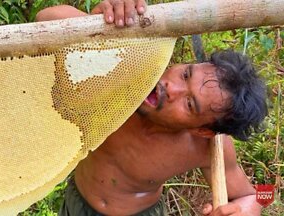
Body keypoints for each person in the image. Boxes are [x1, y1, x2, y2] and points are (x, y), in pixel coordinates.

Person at [36, 1, 268, 215]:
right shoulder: (125, 74)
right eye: (185, 73)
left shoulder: (204, 145)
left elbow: (260, 195)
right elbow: (45, 18)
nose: (171, 87)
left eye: (189, 104)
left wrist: (250, 207)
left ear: (203, 130)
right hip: (77, 203)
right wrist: (97, 24)